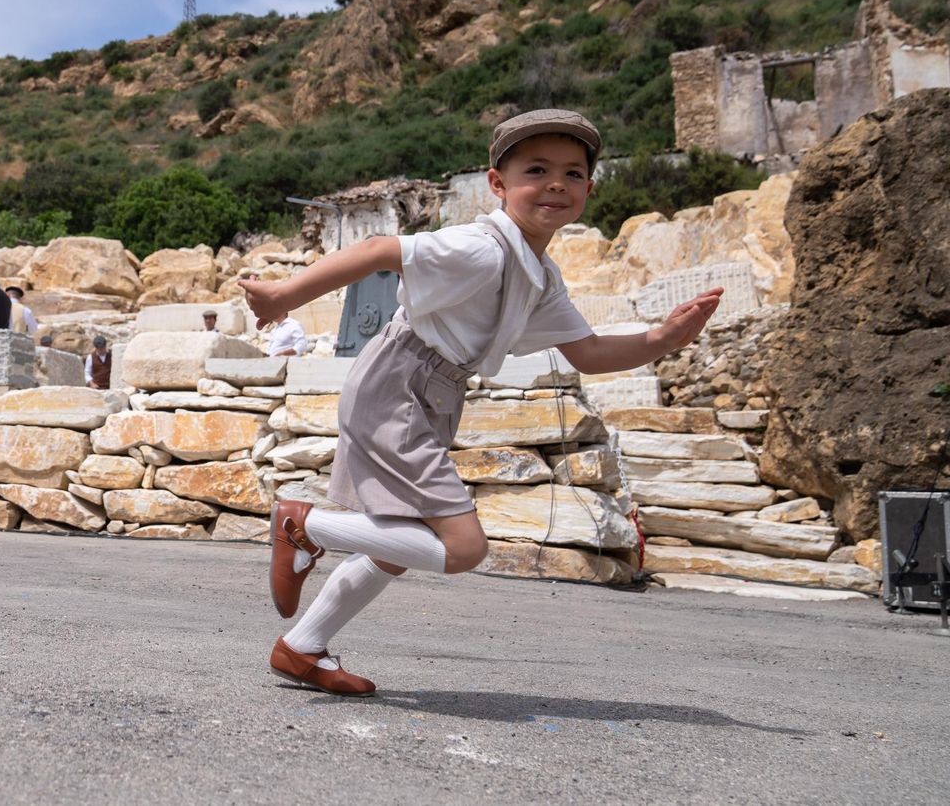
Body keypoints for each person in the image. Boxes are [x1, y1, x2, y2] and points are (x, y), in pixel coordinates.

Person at [241, 109, 723, 696]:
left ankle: (301, 649)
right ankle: (305, 525)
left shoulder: (538, 274)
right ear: (497, 183)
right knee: (463, 548)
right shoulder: (482, 247)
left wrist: (664, 340)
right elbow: (376, 249)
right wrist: (283, 295)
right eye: (536, 170)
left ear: (589, 190)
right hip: (402, 383)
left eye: (573, 174)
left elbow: (589, 351)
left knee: (398, 542)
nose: (555, 184)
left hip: (428, 391)